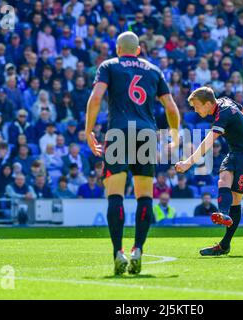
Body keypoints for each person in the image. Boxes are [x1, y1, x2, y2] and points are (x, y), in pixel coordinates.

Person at [85, 31, 180, 275]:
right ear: (138, 50)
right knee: (144, 196)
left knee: (115, 194)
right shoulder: (153, 70)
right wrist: (175, 133)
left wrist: (88, 131)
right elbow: (171, 106)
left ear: (118, 49)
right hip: (146, 135)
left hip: (118, 132)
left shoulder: (109, 66)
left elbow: (96, 98)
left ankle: (118, 253)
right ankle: (138, 249)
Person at [175, 86, 243, 256]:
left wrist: (188, 162)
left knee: (236, 198)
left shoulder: (223, 113)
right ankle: (223, 214)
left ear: (208, 104)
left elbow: (208, 141)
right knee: (223, 180)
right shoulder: (225, 101)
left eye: (196, 106)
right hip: (235, 152)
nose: (195, 109)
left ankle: (224, 244)